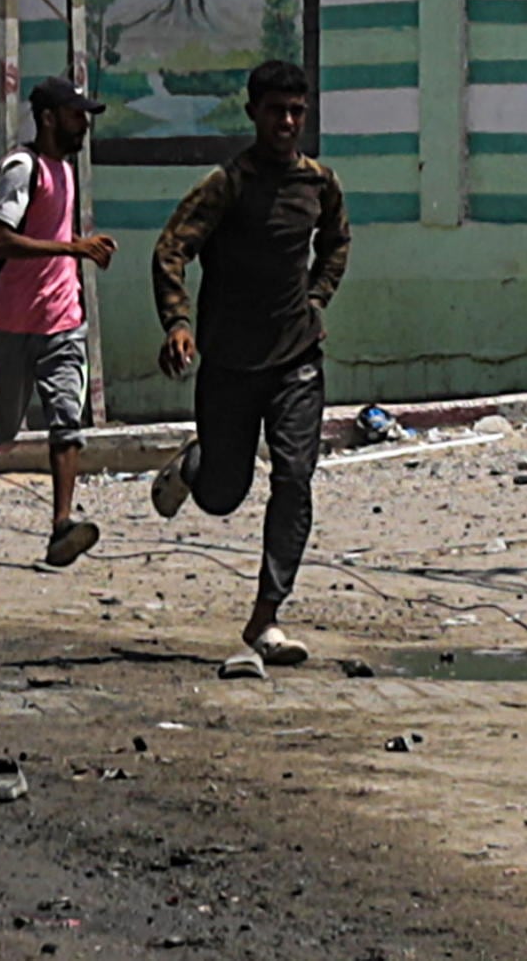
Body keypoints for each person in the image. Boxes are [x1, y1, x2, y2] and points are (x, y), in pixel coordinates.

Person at [150, 58, 351, 669]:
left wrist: (316, 298)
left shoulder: (319, 184)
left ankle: (266, 616)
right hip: (231, 364)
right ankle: (195, 464)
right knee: (221, 495)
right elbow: (171, 250)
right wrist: (178, 324)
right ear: (253, 113)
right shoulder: (226, 185)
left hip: (297, 359)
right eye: (276, 111)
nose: (287, 121)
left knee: (294, 477)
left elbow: (337, 242)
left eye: (297, 111)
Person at [0, 75, 117, 569]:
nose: (83, 125)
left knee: (67, 421)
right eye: (76, 115)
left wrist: (83, 250)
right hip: (14, 323)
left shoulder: (66, 169)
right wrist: (72, 248)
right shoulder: (23, 167)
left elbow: (60, 232)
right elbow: (0, 241)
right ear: (48, 118)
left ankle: (61, 525)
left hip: (63, 319)